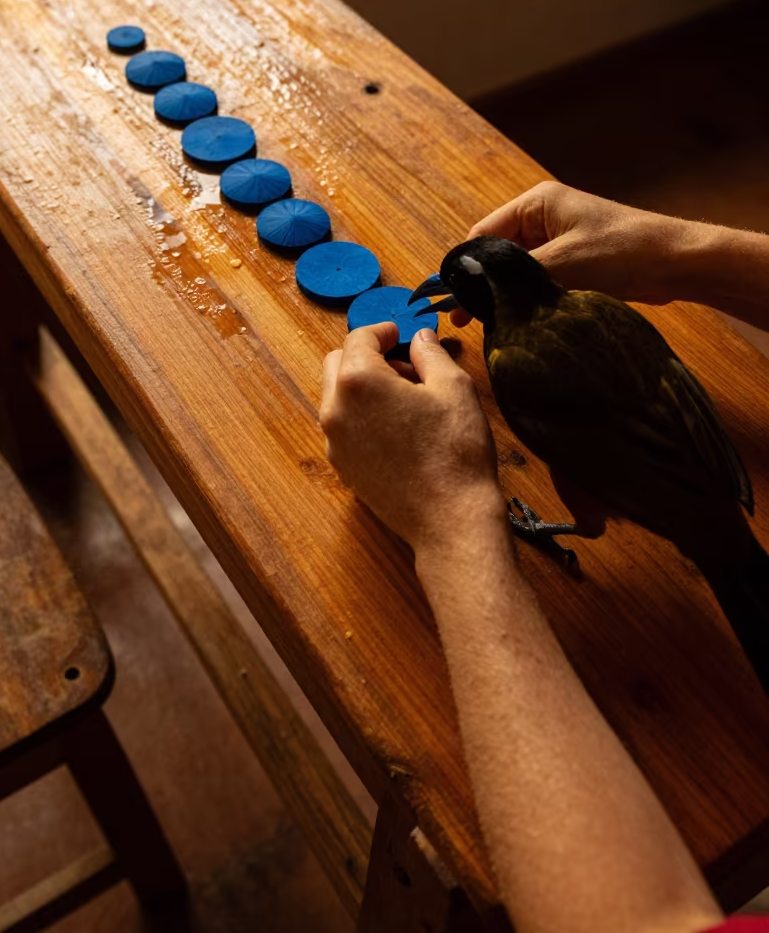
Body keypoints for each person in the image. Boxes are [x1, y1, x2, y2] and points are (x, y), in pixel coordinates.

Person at [320, 182, 769, 933]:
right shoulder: (598, 309)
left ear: (487, 298)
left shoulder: (520, 367)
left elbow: (609, 480)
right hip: (711, 479)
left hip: (674, 503)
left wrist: (461, 518)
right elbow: (676, 395)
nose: (439, 294)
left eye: (455, 287)